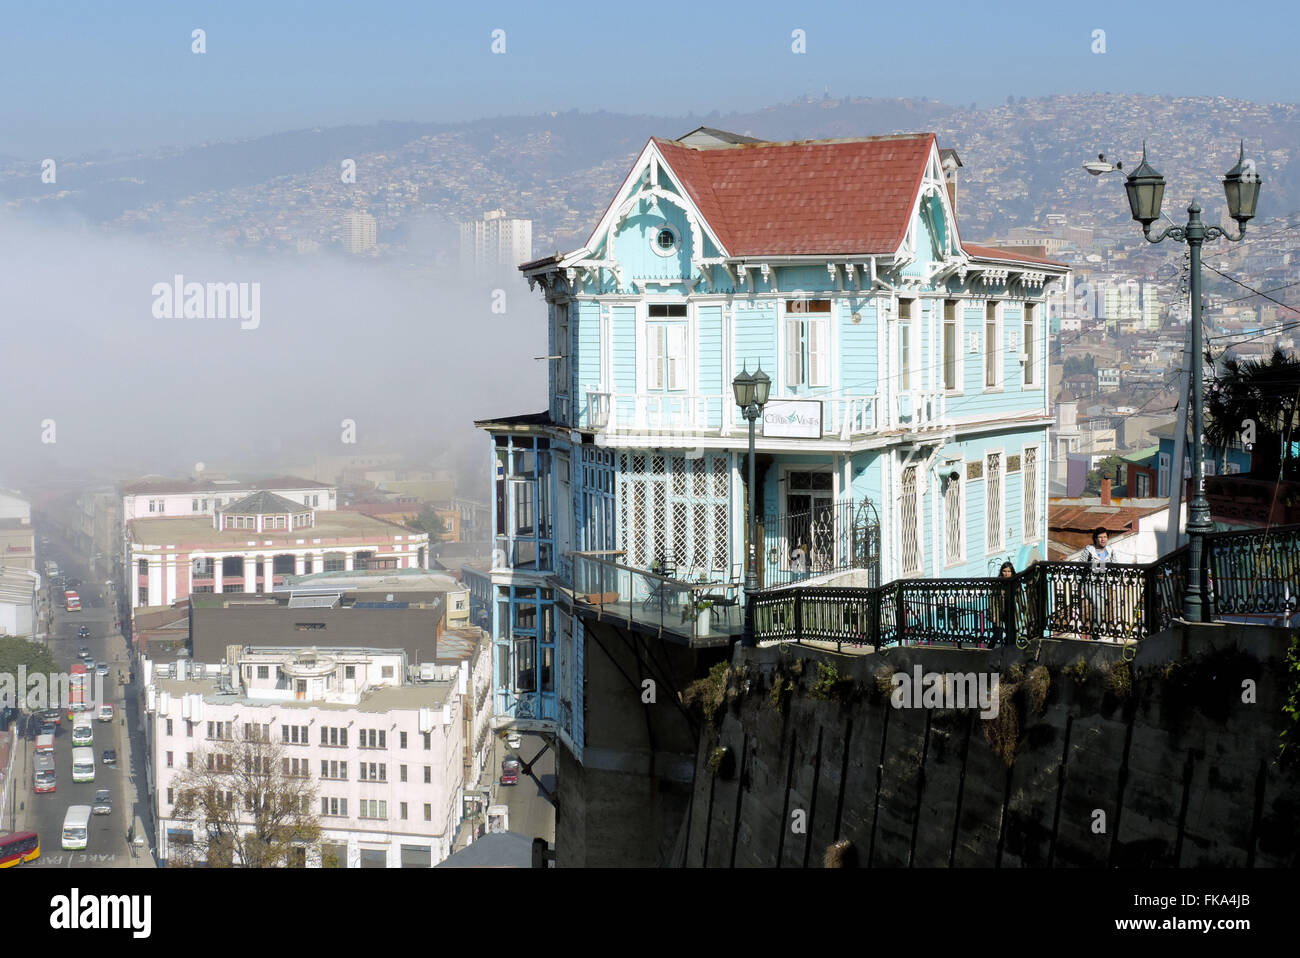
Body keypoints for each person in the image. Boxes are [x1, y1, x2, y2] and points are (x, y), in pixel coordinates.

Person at [1083, 528, 1113, 640]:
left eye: (1105, 537)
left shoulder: (1110, 551)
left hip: (1103, 585)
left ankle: (1096, 630)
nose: (1103, 539)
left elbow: (1115, 566)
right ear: (1095, 539)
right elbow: (1081, 565)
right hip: (1090, 583)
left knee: (1101, 609)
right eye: (1100, 537)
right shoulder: (1089, 550)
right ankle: (1095, 632)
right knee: (1098, 606)